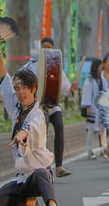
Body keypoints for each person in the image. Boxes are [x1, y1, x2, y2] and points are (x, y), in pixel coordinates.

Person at [0, 50, 63, 206]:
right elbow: (3, 76)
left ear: (34, 89)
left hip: (37, 177)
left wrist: (22, 133)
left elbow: (30, 128)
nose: (20, 93)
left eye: (24, 88)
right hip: (20, 180)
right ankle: (30, 204)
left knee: (42, 172)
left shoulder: (38, 116)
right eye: (17, 89)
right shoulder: (16, 106)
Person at [23, 37, 77, 178]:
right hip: (39, 106)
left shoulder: (57, 68)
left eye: (49, 47)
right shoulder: (32, 65)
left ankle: (58, 166)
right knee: (42, 136)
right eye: (44, 46)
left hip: (53, 104)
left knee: (59, 126)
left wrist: (72, 89)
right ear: (41, 50)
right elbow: (20, 76)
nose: (47, 49)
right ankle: (45, 167)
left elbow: (65, 87)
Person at [81, 58, 108, 159]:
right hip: (92, 108)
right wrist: (87, 106)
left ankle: (103, 149)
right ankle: (89, 150)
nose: (102, 67)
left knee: (103, 128)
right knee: (91, 129)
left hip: (101, 108)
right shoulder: (89, 80)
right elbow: (87, 94)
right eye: (100, 65)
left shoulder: (102, 79)